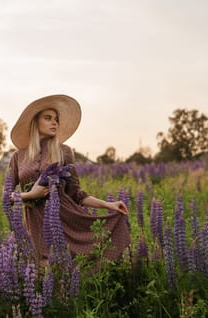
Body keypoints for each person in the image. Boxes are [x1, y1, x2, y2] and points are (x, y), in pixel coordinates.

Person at [7, 94, 131, 262]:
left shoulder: (64, 151)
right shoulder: (18, 157)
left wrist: (108, 204)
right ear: (35, 122)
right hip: (34, 225)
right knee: (40, 272)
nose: (54, 123)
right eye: (48, 118)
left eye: (56, 119)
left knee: (67, 273)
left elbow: (76, 194)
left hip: (65, 222)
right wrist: (31, 195)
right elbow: (6, 198)